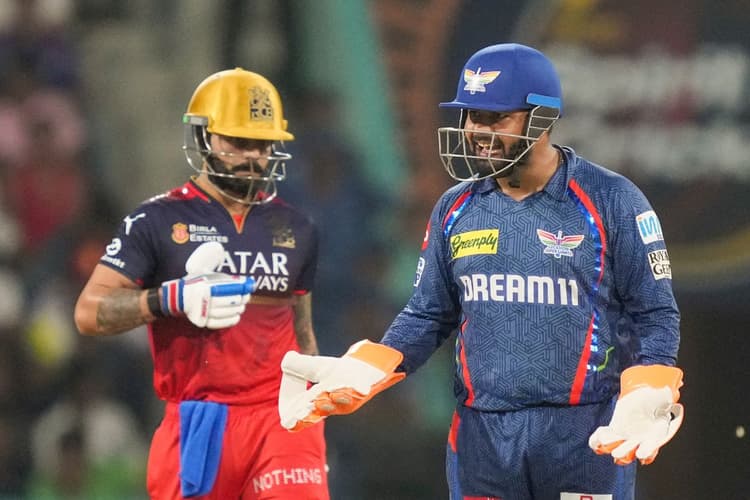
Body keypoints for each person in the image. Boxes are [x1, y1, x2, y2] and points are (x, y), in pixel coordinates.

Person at [278, 44, 684, 499]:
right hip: (482, 439)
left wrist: (648, 385)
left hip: (584, 436)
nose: (477, 132)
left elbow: (655, 313)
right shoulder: (455, 208)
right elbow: (428, 314)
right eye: (472, 116)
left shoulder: (612, 200)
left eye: (496, 118)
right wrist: (374, 364)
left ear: (541, 119)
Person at [75, 68, 329, 499]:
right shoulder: (156, 220)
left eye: (263, 144)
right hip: (198, 422)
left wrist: (321, 397)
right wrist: (169, 298)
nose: (253, 156)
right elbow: (88, 312)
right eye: (239, 142)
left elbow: (302, 334)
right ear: (204, 137)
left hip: (281, 420)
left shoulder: (297, 227)